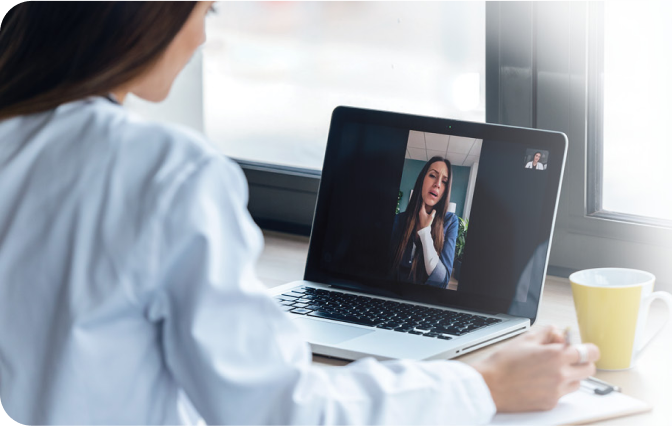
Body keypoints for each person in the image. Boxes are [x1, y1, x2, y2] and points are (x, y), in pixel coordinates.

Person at [0, 2, 600, 425]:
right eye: (205, 11)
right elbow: (283, 412)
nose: (202, 38)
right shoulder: (161, 173)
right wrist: (487, 385)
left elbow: (440, 279)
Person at [390, 157, 458, 289]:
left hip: (427, 299)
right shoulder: (398, 220)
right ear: (422, 180)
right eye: (433, 175)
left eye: (444, 181)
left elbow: (442, 280)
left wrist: (425, 232)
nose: (437, 184)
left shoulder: (450, 222)